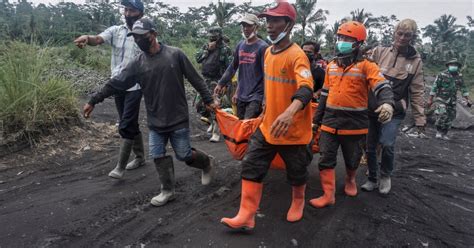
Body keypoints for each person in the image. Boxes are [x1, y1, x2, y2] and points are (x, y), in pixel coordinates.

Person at [83, 18, 218, 207]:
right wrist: (93, 100)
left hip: (177, 117)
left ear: (153, 35)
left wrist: (209, 100)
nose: (138, 41)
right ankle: (167, 191)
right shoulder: (137, 63)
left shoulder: (175, 55)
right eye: (135, 38)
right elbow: (116, 83)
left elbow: (196, 80)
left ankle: (206, 163)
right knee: (157, 154)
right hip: (155, 119)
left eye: (141, 37)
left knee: (184, 155)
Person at [220, 1, 314, 231]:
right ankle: (246, 215)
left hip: (292, 130)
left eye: (275, 20)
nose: (270, 25)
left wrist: (290, 113)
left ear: (289, 24)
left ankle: (298, 202)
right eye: (268, 20)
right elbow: (270, 87)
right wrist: (265, 110)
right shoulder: (269, 53)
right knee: (251, 165)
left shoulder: (297, 55)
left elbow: (306, 87)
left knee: (296, 171)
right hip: (268, 125)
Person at [310, 21, 394, 208]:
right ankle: (328, 195)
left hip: (355, 124)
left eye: (347, 38)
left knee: (352, 158)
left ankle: (350, 180)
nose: (342, 42)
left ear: (358, 43)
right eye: (340, 37)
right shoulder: (330, 66)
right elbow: (324, 96)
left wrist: (387, 103)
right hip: (330, 122)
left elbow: (382, 85)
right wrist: (316, 121)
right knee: (325, 158)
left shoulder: (367, 66)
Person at [73, 0, 146, 179]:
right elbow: (97, 39)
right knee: (128, 121)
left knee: (126, 123)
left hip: (136, 86)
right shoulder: (116, 31)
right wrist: (86, 38)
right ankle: (140, 157)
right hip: (116, 84)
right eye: (126, 10)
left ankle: (120, 167)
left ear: (140, 13)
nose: (127, 13)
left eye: (132, 10)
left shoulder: (144, 33)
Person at [361, 19, 426, 194]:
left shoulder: (416, 61)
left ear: (412, 37)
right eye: (400, 33)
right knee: (370, 145)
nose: (403, 38)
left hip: (395, 110)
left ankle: (385, 176)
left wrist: (420, 117)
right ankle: (372, 178)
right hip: (373, 108)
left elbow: (417, 90)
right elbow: (362, 72)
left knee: (387, 143)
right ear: (394, 33)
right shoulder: (379, 52)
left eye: (408, 35)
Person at [214, 14, 268, 120]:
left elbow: (267, 75)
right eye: (243, 26)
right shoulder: (240, 45)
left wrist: (265, 99)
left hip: (256, 95)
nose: (245, 28)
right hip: (242, 94)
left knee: (247, 127)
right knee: (240, 126)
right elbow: (233, 67)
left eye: (249, 26)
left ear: (257, 27)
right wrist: (221, 83)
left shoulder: (263, 47)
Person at [195, 26, 233, 142]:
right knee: (200, 105)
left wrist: (225, 84)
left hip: (218, 81)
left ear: (219, 36)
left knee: (217, 106)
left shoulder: (225, 49)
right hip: (205, 80)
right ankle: (212, 122)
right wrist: (207, 50)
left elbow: (230, 68)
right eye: (211, 36)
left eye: (215, 36)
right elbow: (198, 59)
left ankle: (216, 132)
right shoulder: (206, 47)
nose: (212, 38)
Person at [427, 58, 471, 140]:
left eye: (455, 65)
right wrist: (430, 99)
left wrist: (468, 99)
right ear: (448, 66)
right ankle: (439, 131)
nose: (453, 66)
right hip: (441, 98)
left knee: (450, 117)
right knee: (442, 114)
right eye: (452, 65)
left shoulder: (459, 76)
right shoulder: (442, 74)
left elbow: (463, 88)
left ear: (458, 66)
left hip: (452, 100)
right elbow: (434, 87)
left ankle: (444, 133)